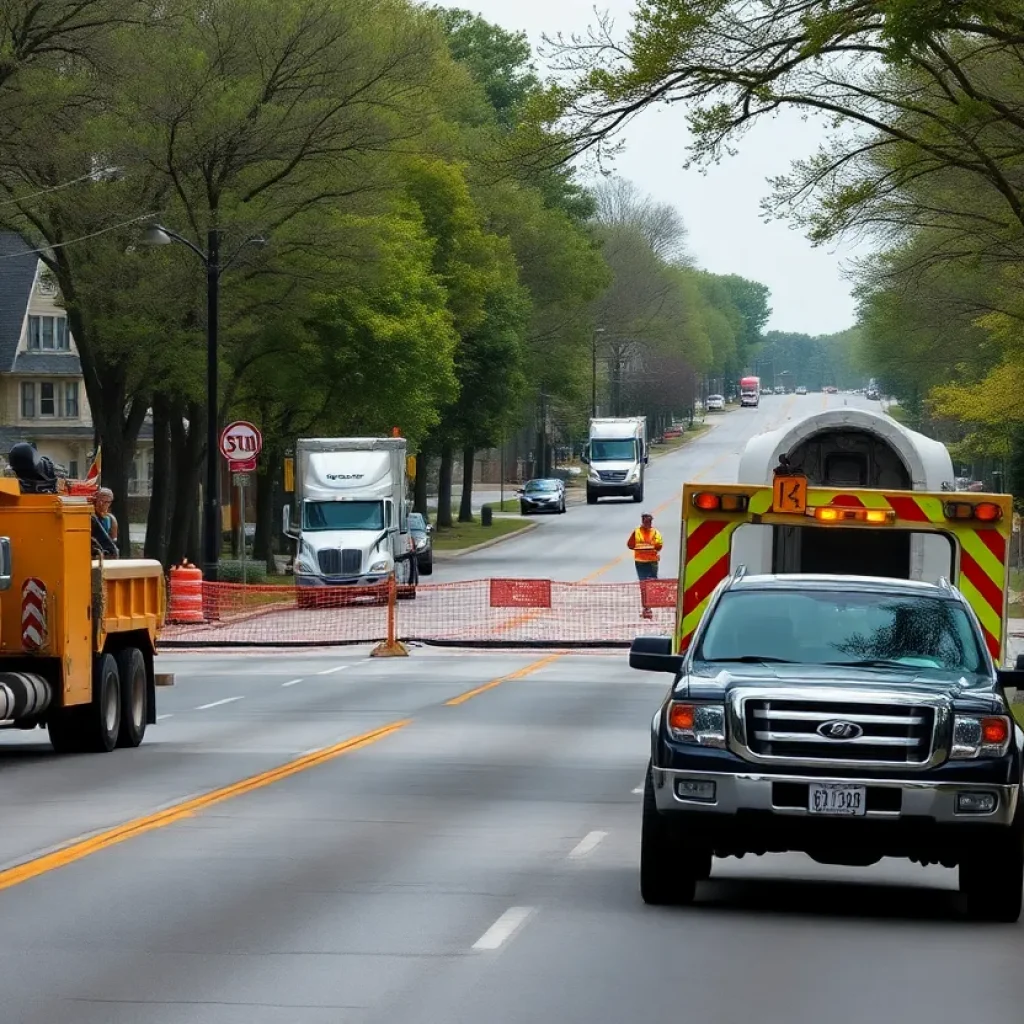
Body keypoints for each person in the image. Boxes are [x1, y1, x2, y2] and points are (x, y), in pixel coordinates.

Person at [627, 512, 663, 619]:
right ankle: (647, 609)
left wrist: (653, 546)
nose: (648, 523)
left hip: (652, 562)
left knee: (651, 584)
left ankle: (650, 605)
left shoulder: (655, 533)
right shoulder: (636, 532)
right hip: (640, 562)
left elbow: (659, 546)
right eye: (646, 521)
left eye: (649, 521)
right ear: (643, 521)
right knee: (644, 585)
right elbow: (630, 544)